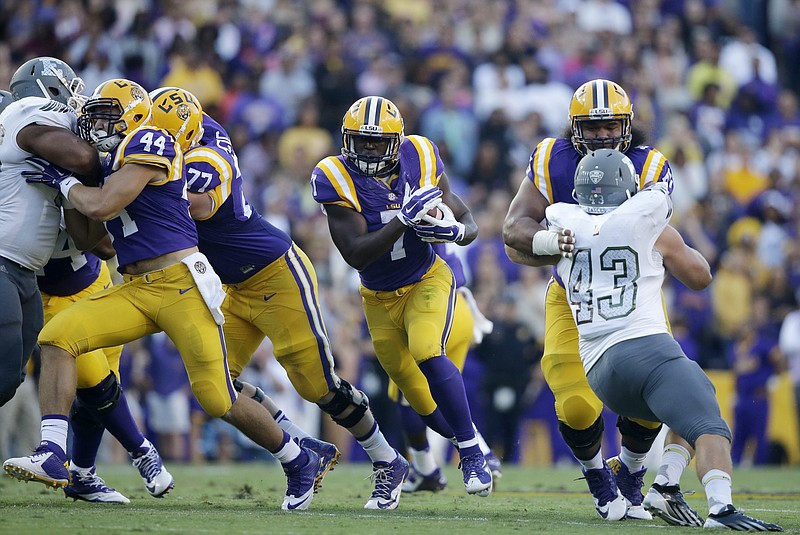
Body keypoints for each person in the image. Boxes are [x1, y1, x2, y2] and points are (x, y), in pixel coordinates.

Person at [3, 78, 327, 512]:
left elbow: (102, 205)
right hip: (136, 289)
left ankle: (297, 456)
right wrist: (71, 192)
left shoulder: (152, 141)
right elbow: (87, 237)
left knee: (217, 398)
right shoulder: (106, 161)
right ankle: (53, 454)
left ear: (135, 116)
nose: (98, 125)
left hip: (180, 285)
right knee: (57, 338)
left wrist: (67, 186)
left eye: (107, 116)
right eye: (94, 116)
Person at [148, 86, 408, 510]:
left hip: (276, 274)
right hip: (234, 286)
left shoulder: (204, 159)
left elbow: (191, 204)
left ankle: (387, 459)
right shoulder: (194, 136)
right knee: (215, 385)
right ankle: (302, 448)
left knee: (317, 386)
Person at [546, 148, 782, 531]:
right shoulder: (647, 220)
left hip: (598, 370)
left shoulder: (561, 225)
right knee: (708, 419)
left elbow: (528, 241)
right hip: (643, 349)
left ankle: (666, 484)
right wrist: (667, 245)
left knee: (689, 396)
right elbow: (701, 277)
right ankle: (720, 508)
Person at [503, 78, 700, 523]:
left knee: (653, 396)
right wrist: (549, 241)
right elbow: (513, 228)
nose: (603, 135)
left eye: (611, 125)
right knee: (574, 404)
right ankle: (597, 477)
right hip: (571, 297)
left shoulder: (650, 167)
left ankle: (630, 473)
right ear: (575, 127)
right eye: (592, 127)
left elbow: (661, 236)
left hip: (634, 296)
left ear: (627, 124)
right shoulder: (551, 158)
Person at [311, 95, 493, 498]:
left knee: (428, 350)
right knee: (417, 400)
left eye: (378, 142)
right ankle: (476, 443)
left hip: (426, 277)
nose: (369, 150)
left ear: (397, 141)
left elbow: (465, 217)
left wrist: (457, 234)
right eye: (361, 141)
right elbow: (356, 253)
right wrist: (403, 220)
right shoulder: (334, 176)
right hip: (377, 294)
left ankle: (471, 455)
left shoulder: (422, 155)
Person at [37, 221, 174, 503]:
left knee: (104, 382)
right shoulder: (17, 186)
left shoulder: (65, 179)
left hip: (95, 281)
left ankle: (82, 475)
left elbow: (106, 247)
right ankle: (141, 449)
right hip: (50, 296)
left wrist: (76, 194)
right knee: (93, 381)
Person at [0, 57, 102, 408]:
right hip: (4, 262)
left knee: (10, 379)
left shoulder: (43, 158)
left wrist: (77, 190)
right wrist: (111, 157)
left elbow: (90, 242)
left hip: (25, 273)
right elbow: (84, 159)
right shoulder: (24, 111)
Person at [389, 241, 501, 493]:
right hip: (459, 306)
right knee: (443, 394)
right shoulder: (438, 205)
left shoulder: (402, 209)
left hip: (431, 306)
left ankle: (476, 453)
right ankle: (431, 468)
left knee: (410, 395)